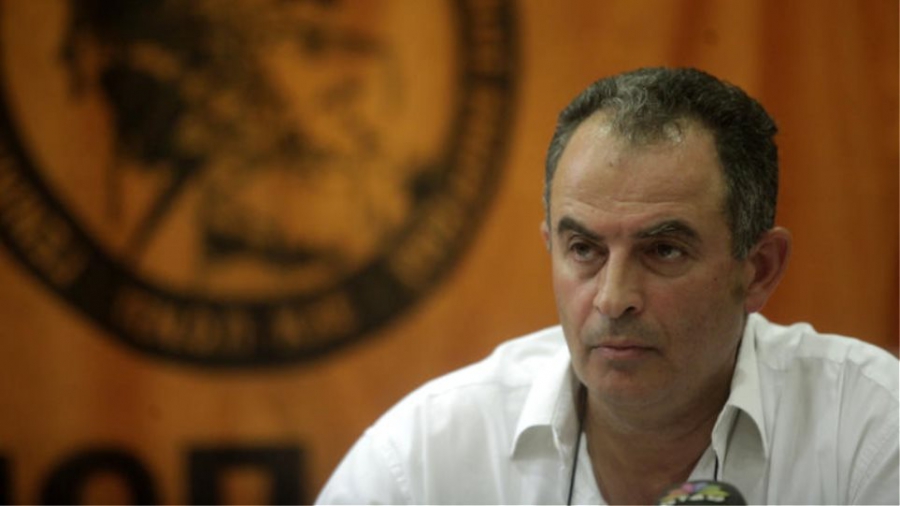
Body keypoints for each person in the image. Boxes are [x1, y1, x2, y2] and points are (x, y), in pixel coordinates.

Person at [315, 67, 899, 504]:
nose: (613, 297)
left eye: (664, 251)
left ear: (760, 269)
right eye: (584, 250)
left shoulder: (873, 432)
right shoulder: (423, 457)